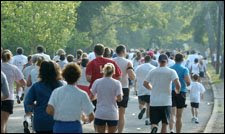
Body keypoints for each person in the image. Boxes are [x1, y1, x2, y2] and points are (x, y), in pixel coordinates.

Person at [46, 63, 95, 133]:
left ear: (64, 76)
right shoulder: (82, 94)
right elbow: (91, 116)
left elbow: (49, 110)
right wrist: (85, 120)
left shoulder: (56, 92)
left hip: (59, 126)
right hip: (75, 126)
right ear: (78, 77)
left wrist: (59, 114)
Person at [143, 54, 181, 133]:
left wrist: (152, 88)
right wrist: (177, 90)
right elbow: (177, 84)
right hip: (166, 101)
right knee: (165, 124)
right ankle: (157, 128)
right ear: (167, 61)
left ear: (158, 61)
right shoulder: (171, 71)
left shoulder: (153, 71)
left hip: (154, 102)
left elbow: (145, 83)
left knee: (154, 122)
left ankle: (154, 127)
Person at [24, 61, 64, 133]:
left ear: (41, 72)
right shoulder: (61, 85)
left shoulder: (36, 86)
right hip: (59, 121)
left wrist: (34, 108)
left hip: (41, 120)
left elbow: (27, 102)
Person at [86, 44, 122, 111]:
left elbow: (88, 78)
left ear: (94, 52)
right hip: (110, 91)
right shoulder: (111, 62)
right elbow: (119, 76)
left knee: (96, 112)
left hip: (96, 92)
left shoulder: (91, 63)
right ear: (103, 51)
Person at [91, 63, 123, 133]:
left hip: (100, 112)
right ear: (113, 72)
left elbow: (91, 97)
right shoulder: (117, 83)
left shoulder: (97, 82)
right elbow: (119, 99)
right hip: (112, 113)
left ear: (103, 71)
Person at [1, 50, 26, 133]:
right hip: (8, 97)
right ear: (10, 58)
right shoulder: (13, 68)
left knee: (3, 123)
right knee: (3, 123)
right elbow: (23, 82)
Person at [113, 45, 136, 133]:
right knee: (121, 114)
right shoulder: (128, 62)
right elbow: (132, 76)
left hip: (112, 87)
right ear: (123, 51)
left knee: (113, 111)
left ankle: (112, 130)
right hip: (123, 88)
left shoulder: (111, 61)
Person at [169, 53, 191, 133]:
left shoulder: (170, 68)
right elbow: (188, 82)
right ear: (182, 60)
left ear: (174, 59)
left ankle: (171, 129)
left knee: (172, 114)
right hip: (181, 92)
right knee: (179, 116)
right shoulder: (185, 69)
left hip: (171, 91)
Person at [135, 55, 156, 125]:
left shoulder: (138, 68)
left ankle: (142, 108)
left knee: (141, 104)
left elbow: (135, 78)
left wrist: (135, 88)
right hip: (150, 89)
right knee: (149, 105)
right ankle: (147, 119)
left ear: (144, 60)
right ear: (150, 60)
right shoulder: (153, 68)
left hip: (141, 89)